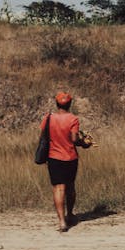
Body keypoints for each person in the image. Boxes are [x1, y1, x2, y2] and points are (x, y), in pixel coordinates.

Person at [40, 92, 90, 232]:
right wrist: (84, 143)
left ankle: (62, 222)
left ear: (57, 104)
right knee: (70, 187)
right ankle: (70, 214)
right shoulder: (73, 119)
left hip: (54, 157)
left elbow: (43, 135)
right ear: (70, 104)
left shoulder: (48, 118)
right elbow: (74, 139)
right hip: (70, 158)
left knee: (58, 188)